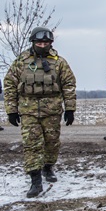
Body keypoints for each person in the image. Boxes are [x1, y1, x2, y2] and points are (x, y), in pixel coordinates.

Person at [3, 26, 76, 198]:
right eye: (39, 42)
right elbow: (9, 85)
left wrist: (70, 108)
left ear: (50, 43)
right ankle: (35, 180)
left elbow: (69, 85)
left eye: (46, 42)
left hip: (52, 110)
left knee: (52, 142)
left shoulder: (59, 62)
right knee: (31, 144)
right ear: (33, 42)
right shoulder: (22, 61)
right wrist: (11, 110)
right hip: (28, 111)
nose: (43, 45)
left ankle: (48, 167)